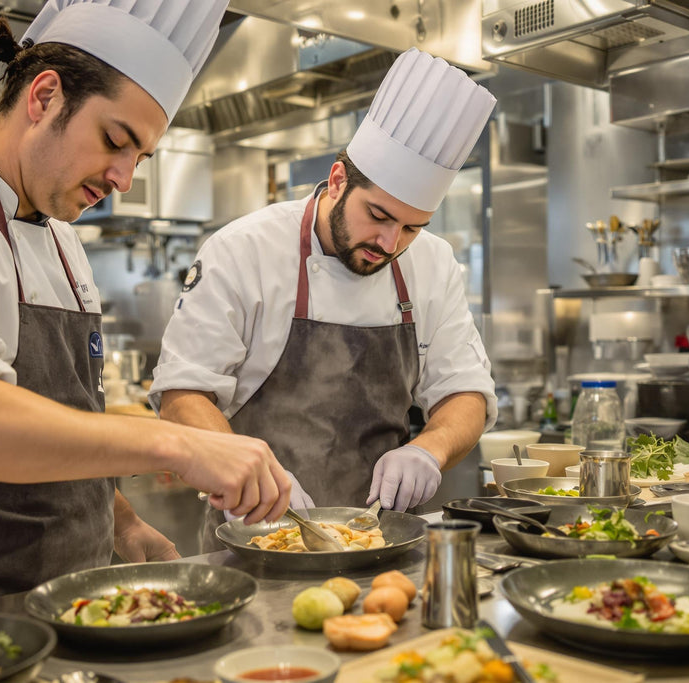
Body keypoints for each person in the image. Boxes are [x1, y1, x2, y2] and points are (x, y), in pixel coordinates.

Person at [0, 0, 290, 611]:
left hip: (70, 605)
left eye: (140, 158)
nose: (125, 178)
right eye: (115, 141)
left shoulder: (63, 240)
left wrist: (121, 521)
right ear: (44, 96)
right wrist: (176, 443)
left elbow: (59, 417)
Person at [150, 47, 499, 550]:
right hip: (257, 537)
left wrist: (430, 448)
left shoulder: (433, 263)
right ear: (337, 180)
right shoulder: (243, 249)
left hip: (382, 540)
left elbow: (464, 392)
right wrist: (247, 470)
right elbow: (183, 396)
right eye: (378, 216)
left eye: (411, 228)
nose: (389, 243)